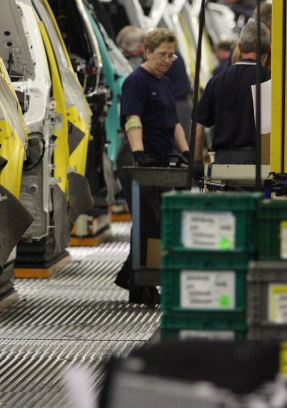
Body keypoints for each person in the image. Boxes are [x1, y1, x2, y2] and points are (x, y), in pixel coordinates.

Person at [115, 28, 190, 306]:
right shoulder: (137, 81)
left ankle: (132, 276)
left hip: (160, 160)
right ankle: (140, 283)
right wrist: (138, 152)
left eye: (172, 55)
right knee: (148, 220)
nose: (167, 60)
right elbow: (132, 118)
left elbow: (175, 123)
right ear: (147, 51)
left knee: (162, 219)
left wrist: (185, 152)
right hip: (137, 159)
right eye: (162, 55)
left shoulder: (166, 82)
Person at [194, 21, 270, 166]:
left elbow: (198, 125)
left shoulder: (216, 81)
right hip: (258, 162)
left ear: (240, 47)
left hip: (223, 162)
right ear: (269, 49)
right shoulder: (270, 81)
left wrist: (197, 162)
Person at [164, 50, 193, 141]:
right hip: (182, 101)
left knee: (179, 141)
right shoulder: (174, 53)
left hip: (178, 102)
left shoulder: (168, 56)